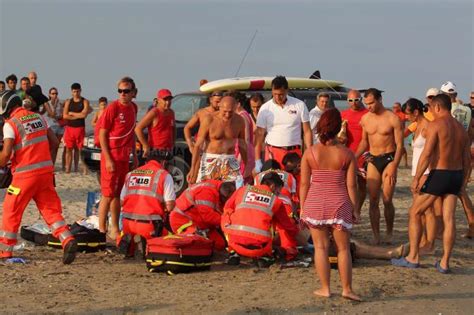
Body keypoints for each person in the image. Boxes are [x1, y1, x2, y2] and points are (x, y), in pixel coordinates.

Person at [392, 94, 471, 273]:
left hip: (439, 174)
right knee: (449, 218)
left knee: (415, 212)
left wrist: (416, 178)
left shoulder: (436, 125)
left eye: (431, 109)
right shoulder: (460, 129)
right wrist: (463, 183)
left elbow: (427, 154)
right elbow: (467, 159)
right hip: (456, 175)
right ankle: (444, 263)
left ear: (437, 107)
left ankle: (413, 257)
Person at [0, 90, 77, 264]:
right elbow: (55, 143)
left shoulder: (10, 124)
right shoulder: (38, 117)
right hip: (45, 174)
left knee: (11, 211)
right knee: (51, 211)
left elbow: (5, 156)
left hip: (24, 177)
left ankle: (5, 252)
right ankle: (67, 239)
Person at [299, 108, 360, 301]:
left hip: (315, 202)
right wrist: (355, 208)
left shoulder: (310, 152)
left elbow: (304, 183)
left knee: (320, 248)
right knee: (343, 249)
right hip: (339, 202)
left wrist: (302, 207)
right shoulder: (347, 154)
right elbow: (351, 184)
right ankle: (347, 289)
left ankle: (325, 288)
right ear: (337, 127)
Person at [355, 88, 404, 245]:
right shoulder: (365, 119)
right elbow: (364, 141)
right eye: (366, 103)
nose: (369, 106)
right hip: (373, 158)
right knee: (373, 198)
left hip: (389, 157)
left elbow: (400, 145)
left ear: (380, 99)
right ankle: (376, 235)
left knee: (387, 199)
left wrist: (395, 166)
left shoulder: (392, 118)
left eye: (371, 103)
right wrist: (354, 156)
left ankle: (389, 232)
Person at [222, 172, 299, 266]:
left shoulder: (243, 190)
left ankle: (232, 253)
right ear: (272, 186)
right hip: (260, 249)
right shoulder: (276, 201)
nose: (278, 194)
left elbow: (227, 208)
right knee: (274, 220)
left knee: (227, 213)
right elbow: (287, 226)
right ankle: (265, 256)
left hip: (235, 243)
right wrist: (297, 231)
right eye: (279, 190)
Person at [97, 77, 138, 240]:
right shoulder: (113, 108)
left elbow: (132, 132)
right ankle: (101, 229)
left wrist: (134, 155)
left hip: (124, 156)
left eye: (126, 91)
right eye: (120, 91)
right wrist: (108, 159)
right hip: (111, 155)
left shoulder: (133, 108)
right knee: (107, 194)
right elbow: (102, 133)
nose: (123, 94)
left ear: (133, 93)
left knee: (117, 194)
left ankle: (114, 228)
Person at [117, 150, 175, 257]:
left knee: (127, 236)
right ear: (163, 163)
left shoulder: (131, 174)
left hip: (127, 224)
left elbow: (121, 201)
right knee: (172, 240)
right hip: (150, 225)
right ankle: (147, 245)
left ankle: (128, 244)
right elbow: (170, 206)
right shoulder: (164, 175)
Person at [254, 76, 312, 171]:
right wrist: (257, 160)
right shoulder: (265, 108)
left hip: (294, 153)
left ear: (287, 91)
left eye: (281, 94)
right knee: (273, 183)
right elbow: (259, 135)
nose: (277, 97)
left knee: (295, 182)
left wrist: (309, 154)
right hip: (273, 152)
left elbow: (307, 131)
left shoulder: (299, 105)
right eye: (275, 94)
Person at [402, 98, 437, 254]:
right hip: (417, 172)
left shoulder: (427, 127)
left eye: (408, 114)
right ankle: (424, 241)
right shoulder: (417, 126)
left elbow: (432, 153)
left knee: (426, 210)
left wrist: (423, 175)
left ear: (416, 112)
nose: (406, 117)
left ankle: (430, 244)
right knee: (421, 211)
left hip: (426, 172)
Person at [440, 82, 474, 239]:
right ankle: (471, 226)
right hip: (464, 152)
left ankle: (442, 229)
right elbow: (470, 131)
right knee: (462, 192)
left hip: (449, 154)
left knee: (444, 192)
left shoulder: (447, 111)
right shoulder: (467, 109)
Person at [188, 96, 246, 184]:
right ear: (220, 107)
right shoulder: (209, 119)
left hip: (229, 160)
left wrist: (247, 165)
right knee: (207, 191)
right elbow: (198, 145)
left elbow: (242, 144)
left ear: (235, 108)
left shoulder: (240, 121)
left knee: (231, 193)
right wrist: (193, 168)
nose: (227, 115)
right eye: (225, 112)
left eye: (230, 112)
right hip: (211, 159)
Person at [169, 180, 236, 250]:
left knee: (220, 244)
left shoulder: (217, 188)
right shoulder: (206, 192)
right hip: (182, 221)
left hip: (197, 222)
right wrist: (228, 222)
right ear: (224, 196)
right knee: (200, 244)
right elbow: (208, 217)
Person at [339, 90, 369, 217]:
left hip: (365, 154)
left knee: (362, 185)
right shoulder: (343, 114)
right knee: (347, 184)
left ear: (360, 99)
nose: (354, 103)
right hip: (348, 153)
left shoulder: (368, 114)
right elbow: (339, 136)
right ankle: (349, 210)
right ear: (347, 101)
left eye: (356, 100)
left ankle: (357, 209)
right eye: (351, 100)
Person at [135, 89, 175, 158]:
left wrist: (173, 143)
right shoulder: (154, 113)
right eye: (165, 100)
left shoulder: (171, 112)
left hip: (168, 150)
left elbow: (173, 128)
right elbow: (138, 129)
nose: (168, 102)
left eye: (169, 100)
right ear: (158, 100)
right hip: (155, 151)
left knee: (167, 168)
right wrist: (145, 145)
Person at [62, 83, 90, 173]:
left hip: (80, 128)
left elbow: (84, 114)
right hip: (69, 128)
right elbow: (65, 116)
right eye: (74, 91)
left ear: (80, 91)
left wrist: (72, 113)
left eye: (77, 91)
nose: (76, 93)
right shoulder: (68, 102)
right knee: (68, 149)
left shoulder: (85, 101)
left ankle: (83, 169)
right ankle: (68, 169)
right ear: (71, 92)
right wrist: (78, 115)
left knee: (81, 150)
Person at [229, 91, 254, 182]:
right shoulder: (244, 115)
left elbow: (246, 139)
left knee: (240, 182)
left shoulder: (242, 117)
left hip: (243, 154)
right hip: (244, 153)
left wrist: (239, 160)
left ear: (238, 104)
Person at [42, 87, 64, 165]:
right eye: (53, 93)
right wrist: (54, 107)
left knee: (56, 147)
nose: (55, 95)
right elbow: (52, 114)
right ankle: (48, 163)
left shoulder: (60, 104)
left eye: (56, 93)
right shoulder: (47, 103)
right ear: (49, 94)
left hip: (59, 127)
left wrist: (56, 116)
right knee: (50, 146)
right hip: (51, 126)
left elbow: (62, 115)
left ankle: (52, 164)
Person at [392, 102, 408, 168]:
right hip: (392, 134)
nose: (394, 108)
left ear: (399, 107)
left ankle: (405, 163)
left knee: (402, 148)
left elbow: (409, 118)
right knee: (394, 148)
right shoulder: (392, 114)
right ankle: (394, 162)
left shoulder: (403, 114)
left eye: (396, 107)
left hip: (401, 133)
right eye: (393, 107)